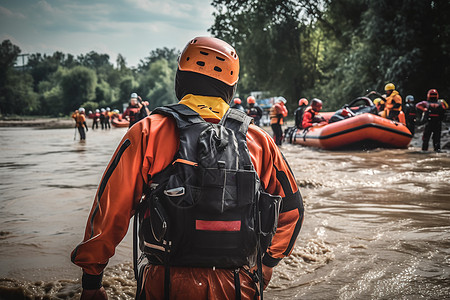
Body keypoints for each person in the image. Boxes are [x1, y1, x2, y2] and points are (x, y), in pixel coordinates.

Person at [71, 36, 304, 300]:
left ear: (181, 79)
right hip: (239, 283)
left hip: (165, 282)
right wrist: (268, 264)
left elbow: (110, 209)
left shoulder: (148, 131)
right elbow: (293, 209)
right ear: (231, 87)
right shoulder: (260, 140)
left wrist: (92, 280)